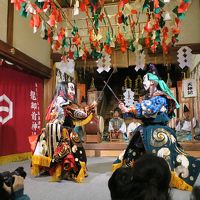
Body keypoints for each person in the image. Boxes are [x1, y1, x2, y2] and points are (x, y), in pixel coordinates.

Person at [114, 64, 200, 191]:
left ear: (153, 82)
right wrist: (124, 110)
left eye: (145, 80)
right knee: (134, 151)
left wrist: (130, 108)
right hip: (145, 129)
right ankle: (139, 172)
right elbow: (142, 110)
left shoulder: (161, 97)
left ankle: (160, 175)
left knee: (162, 155)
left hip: (158, 131)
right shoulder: (149, 98)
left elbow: (148, 108)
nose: (143, 83)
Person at [30, 81, 96, 183]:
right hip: (63, 130)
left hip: (51, 129)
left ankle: (53, 169)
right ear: (63, 89)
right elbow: (79, 114)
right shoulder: (64, 102)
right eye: (71, 89)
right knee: (76, 150)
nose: (73, 92)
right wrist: (91, 108)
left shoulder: (56, 100)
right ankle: (71, 171)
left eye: (73, 89)